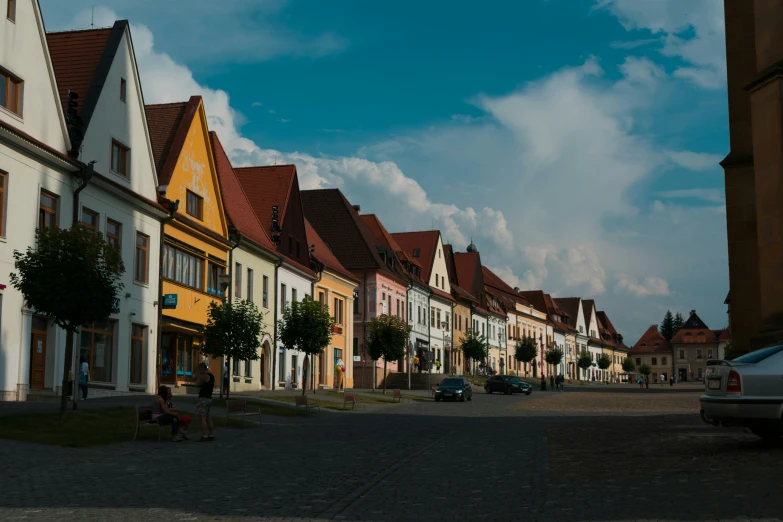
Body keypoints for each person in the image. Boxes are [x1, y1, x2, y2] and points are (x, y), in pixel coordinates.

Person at [194, 362, 215, 442]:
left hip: (203, 398)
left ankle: (204, 435)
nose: (198, 371)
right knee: (208, 417)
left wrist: (198, 377)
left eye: (199, 369)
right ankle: (211, 434)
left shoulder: (203, 376)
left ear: (202, 369)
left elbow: (197, 384)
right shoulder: (211, 376)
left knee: (202, 417)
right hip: (209, 398)